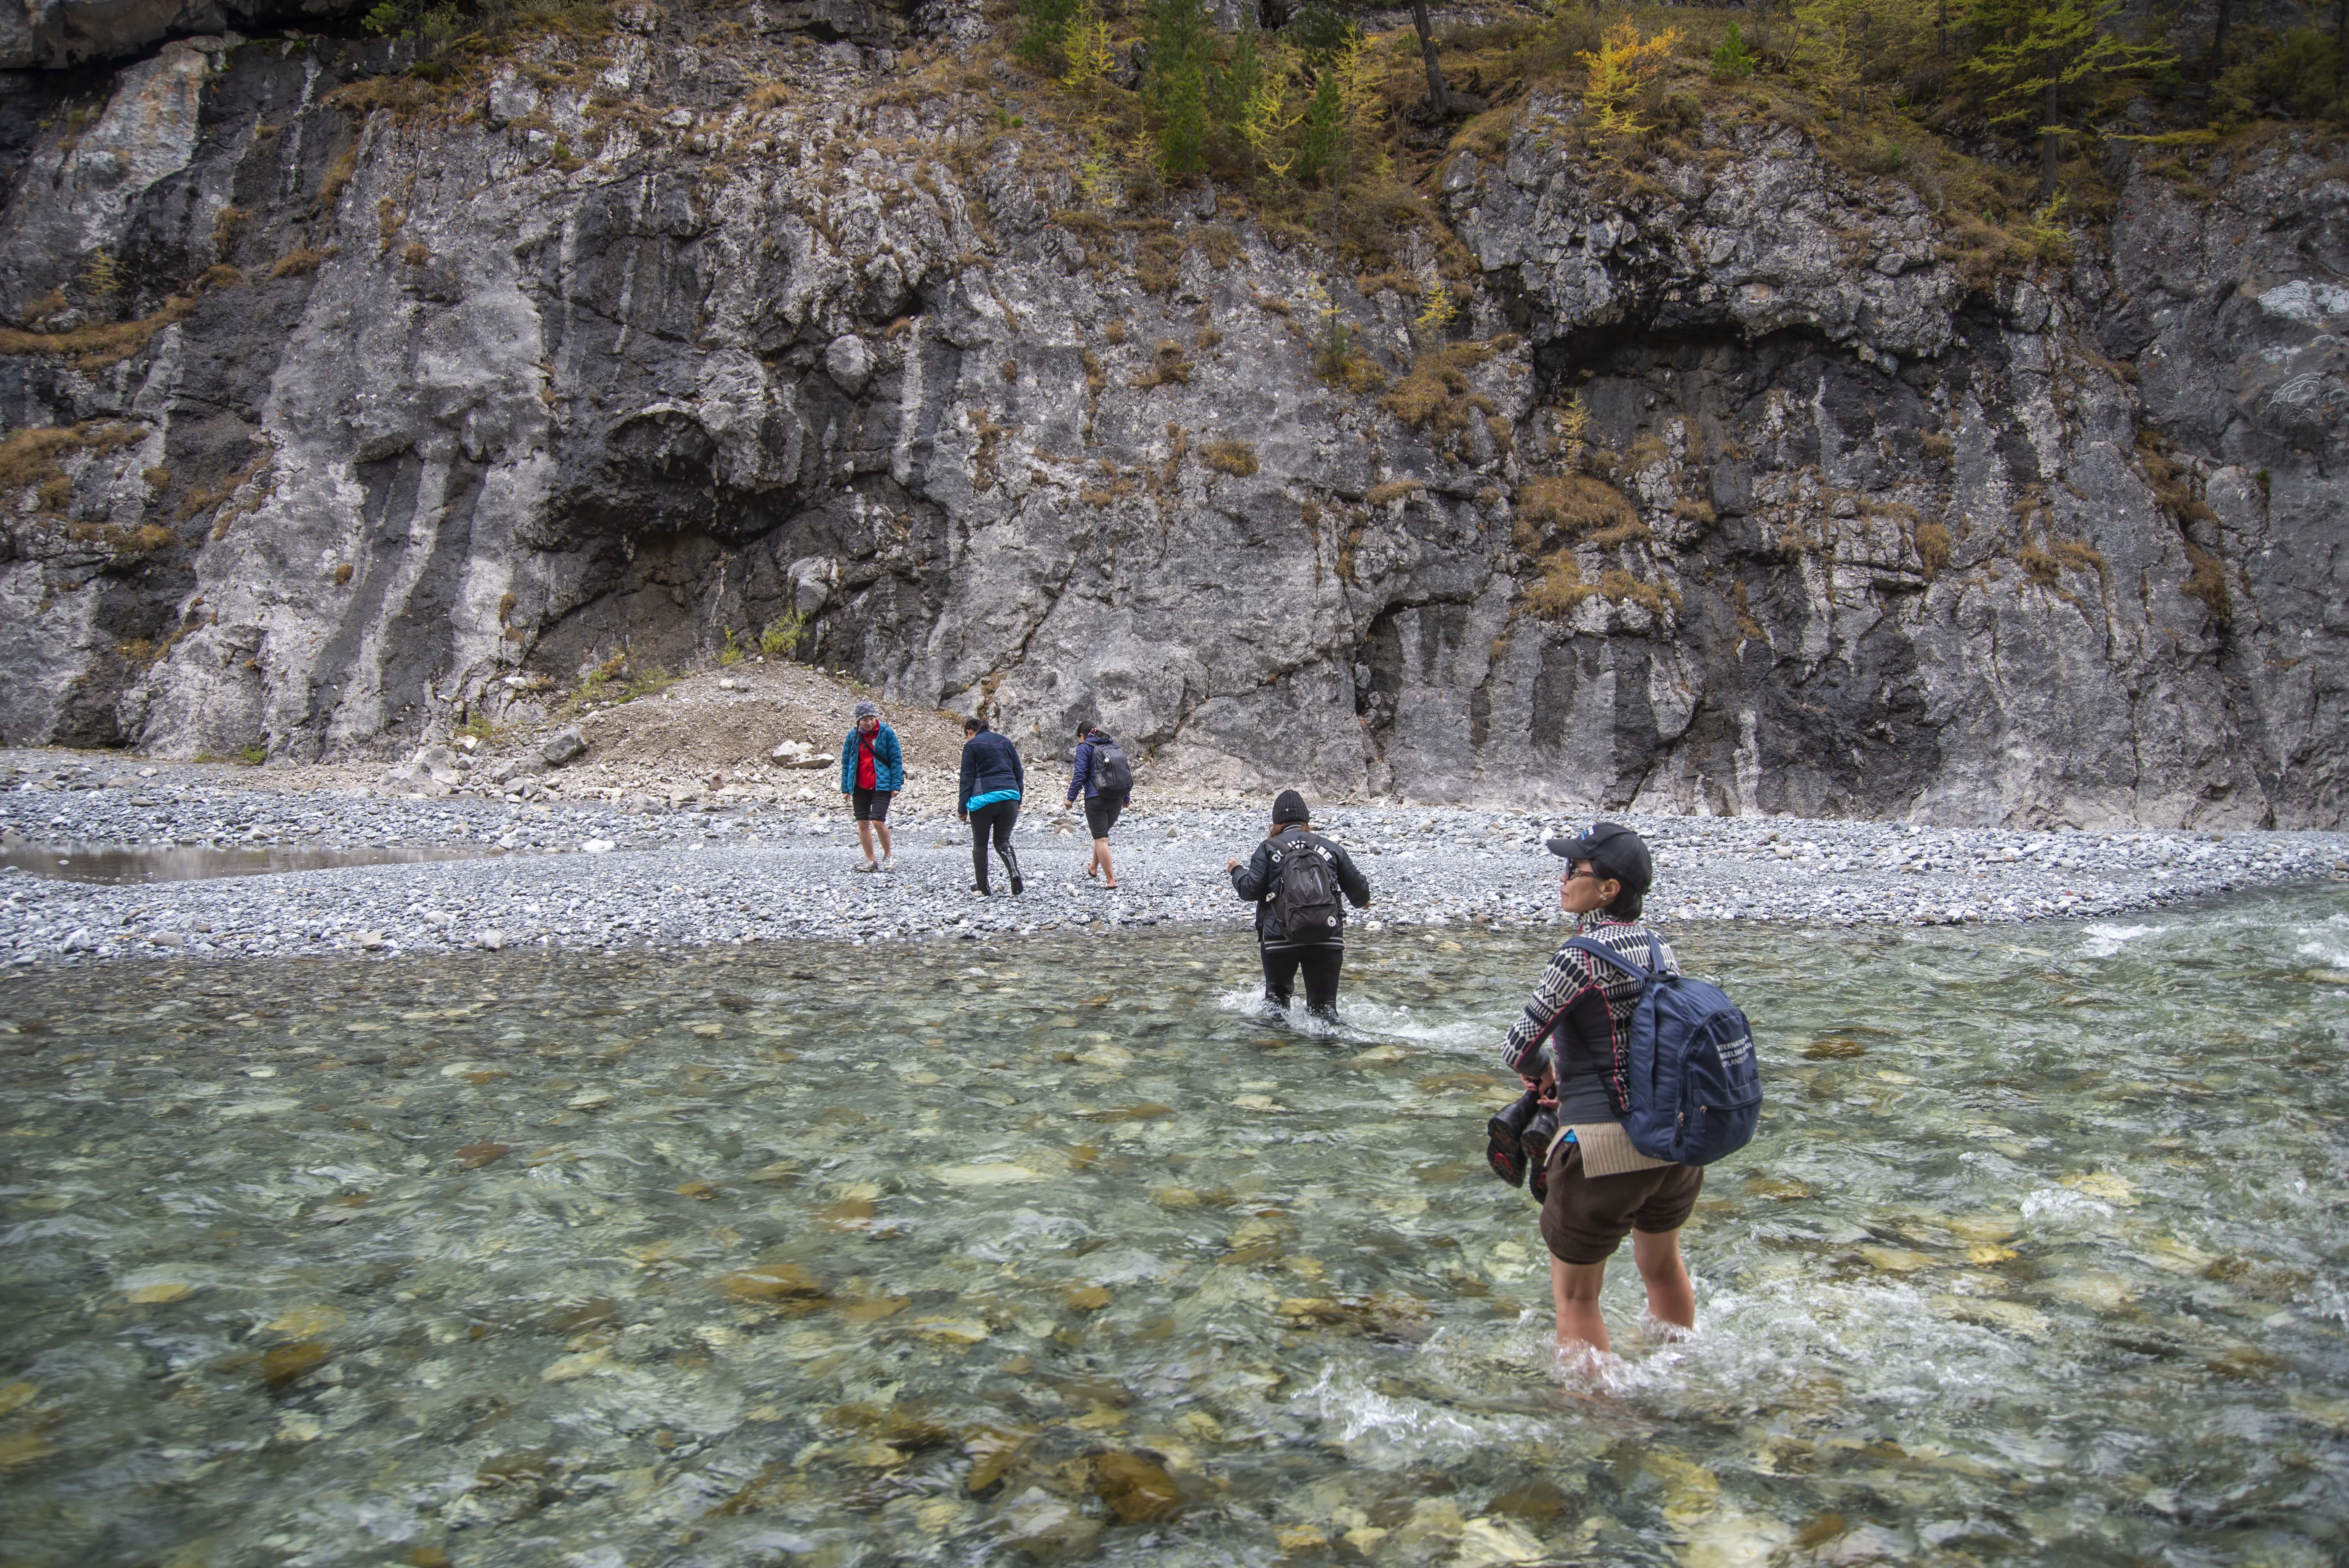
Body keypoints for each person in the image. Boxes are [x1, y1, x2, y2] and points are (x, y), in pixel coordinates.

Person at [1500, 820, 1700, 1370]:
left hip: (1602, 1152)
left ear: (1608, 889)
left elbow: (1517, 1046)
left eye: (1573, 870)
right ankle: (1678, 1377)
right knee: (1662, 1268)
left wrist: (1542, 1074)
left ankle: (1601, 1426)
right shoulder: (1661, 949)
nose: (1562, 879)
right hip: (1673, 1146)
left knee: (1576, 1297)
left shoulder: (1579, 957)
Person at [1227, 789, 1371, 1023]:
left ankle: (1276, 1049)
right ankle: (1335, 1051)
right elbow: (1360, 893)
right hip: (1327, 936)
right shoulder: (1330, 848)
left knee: (1277, 1003)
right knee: (1325, 1010)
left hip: (1280, 937)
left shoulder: (1269, 848)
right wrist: (1363, 902)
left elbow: (1249, 891)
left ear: (1276, 822)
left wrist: (1237, 871)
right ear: (1305, 819)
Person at [957, 717, 1025, 897]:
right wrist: (1019, 798)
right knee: (1002, 841)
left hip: (983, 801)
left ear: (970, 732)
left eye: (967, 736)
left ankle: (983, 887)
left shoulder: (972, 746)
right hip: (1010, 796)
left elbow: (966, 779)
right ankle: (1014, 872)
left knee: (980, 844)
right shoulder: (1005, 742)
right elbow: (1019, 771)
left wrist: (962, 808)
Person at [836, 700, 903, 873]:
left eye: (872, 718)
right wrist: (846, 788)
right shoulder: (853, 737)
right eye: (865, 719)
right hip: (860, 785)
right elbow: (847, 762)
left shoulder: (886, 733)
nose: (869, 722)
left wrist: (896, 785)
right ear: (859, 721)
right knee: (862, 822)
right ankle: (871, 860)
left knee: (877, 820)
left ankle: (888, 855)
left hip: (882, 784)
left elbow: (896, 760)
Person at [1063, 721, 1129, 889]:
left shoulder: (1085, 747)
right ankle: (1093, 868)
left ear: (1082, 736)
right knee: (1101, 837)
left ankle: (1111, 880)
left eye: (1079, 739)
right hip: (1116, 798)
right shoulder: (1113, 744)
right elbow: (1123, 771)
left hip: (1096, 799)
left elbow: (1080, 774)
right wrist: (1126, 797)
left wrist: (1070, 798)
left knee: (1101, 838)